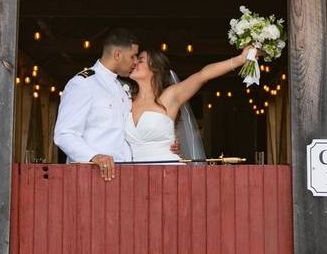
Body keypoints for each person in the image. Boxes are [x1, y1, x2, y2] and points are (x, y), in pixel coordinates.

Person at [126, 45, 255, 163]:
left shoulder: (170, 96)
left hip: (165, 169)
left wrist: (240, 59)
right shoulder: (124, 98)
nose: (134, 63)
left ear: (155, 68)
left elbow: (203, 75)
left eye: (140, 60)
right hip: (129, 171)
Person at [53, 28, 140, 182]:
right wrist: (93, 156)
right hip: (92, 175)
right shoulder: (83, 83)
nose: (135, 62)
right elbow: (64, 134)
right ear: (117, 54)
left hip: (125, 174)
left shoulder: (122, 88)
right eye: (133, 56)